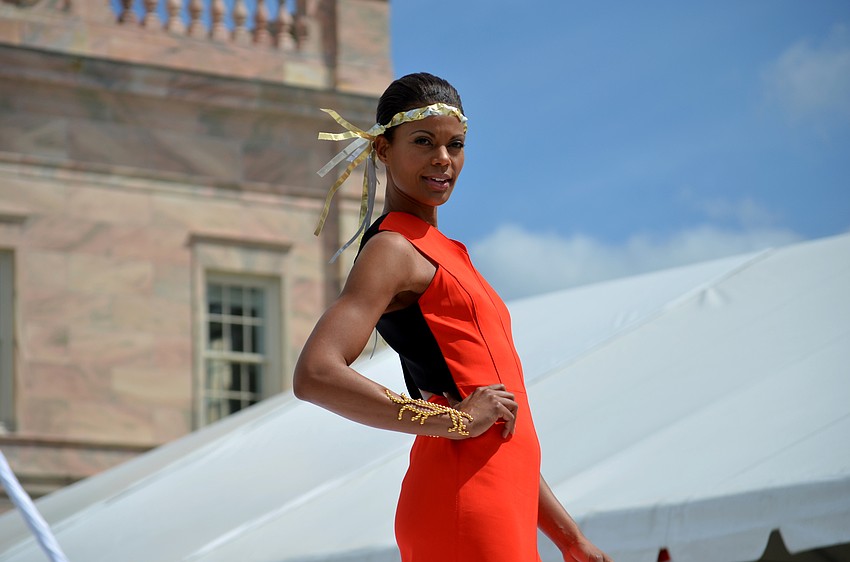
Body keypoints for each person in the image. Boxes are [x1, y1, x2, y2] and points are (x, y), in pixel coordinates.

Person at [294, 72, 612, 562]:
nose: (443, 158)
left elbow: (505, 425)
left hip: (504, 497)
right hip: (465, 496)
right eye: (423, 142)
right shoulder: (392, 250)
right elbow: (316, 374)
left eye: (455, 144)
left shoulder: (452, 255)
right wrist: (451, 421)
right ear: (382, 149)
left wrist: (569, 539)